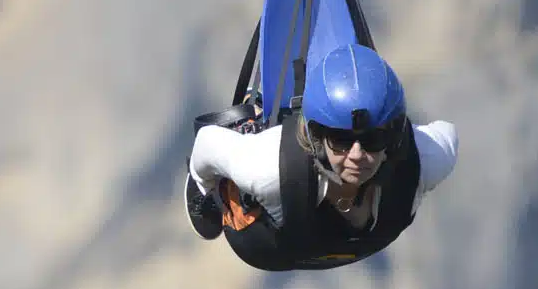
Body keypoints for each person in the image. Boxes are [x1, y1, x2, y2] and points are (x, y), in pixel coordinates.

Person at [185, 44, 457, 271]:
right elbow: (205, 143)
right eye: (341, 141)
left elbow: (448, 134)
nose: (357, 155)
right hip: (269, 247)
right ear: (316, 137)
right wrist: (208, 191)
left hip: (301, 245)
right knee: (249, 179)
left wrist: (203, 185)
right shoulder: (267, 167)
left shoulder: (422, 161)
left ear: (392, 138)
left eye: (373, 140)